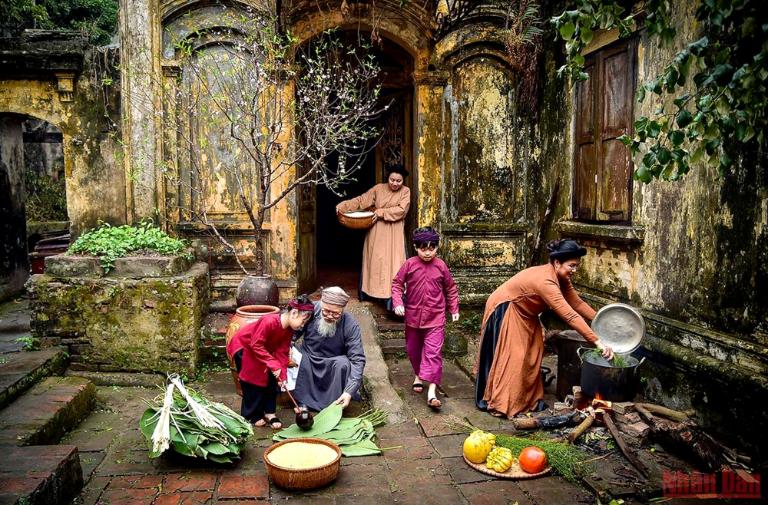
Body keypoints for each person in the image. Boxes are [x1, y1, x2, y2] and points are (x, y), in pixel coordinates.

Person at [474, 239, 614, 419]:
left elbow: (577, 303)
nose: (575, 270)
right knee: (515, 357)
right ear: (557, 263)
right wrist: (597, 342)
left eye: (577, 266)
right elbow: (569, 316)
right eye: (572, 266)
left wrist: (601, 321)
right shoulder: (546, 281)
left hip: (527, 312)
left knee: (533, 351)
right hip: (508, 307)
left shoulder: (561, 277)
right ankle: (503, 403)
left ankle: (525, 399)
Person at [392, 227, 459, 411]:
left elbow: (451, 288)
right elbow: (397, 283)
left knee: (433, 353)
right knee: (413, 350)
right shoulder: (409, 264)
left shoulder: (441, 266)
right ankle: (418, 375)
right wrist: (398, 302)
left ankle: (432, 393)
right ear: (415, 247)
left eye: (432, 248)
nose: (428, 252)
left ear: (437, 247)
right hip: (413, 317)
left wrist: (453, 308)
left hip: (436, 317)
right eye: (423, 248)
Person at [226, 295, 314, 428]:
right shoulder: (269, 321)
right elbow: (255, 344)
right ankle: (251, 415)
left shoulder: (289, 330)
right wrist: (273, 364)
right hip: (245, 346)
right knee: (252, 381)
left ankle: (269, 412)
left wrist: (282, 376)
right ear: (294, 313)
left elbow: (282, 352)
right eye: (302, 322)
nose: (302, 326)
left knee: (273, 379)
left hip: (263, 350)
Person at [336, 165, 411, 304]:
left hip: (394, 232)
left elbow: (401, 211)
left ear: (403, 181)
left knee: (394, 262)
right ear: (387, 178)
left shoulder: (406, 191)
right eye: (392, 179)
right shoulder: (378, 189)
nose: (395, 183)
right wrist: (343, 206)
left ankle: (392, 299)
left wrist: (379, 212)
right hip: (376, 231)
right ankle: (372, 294)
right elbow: (361, 201)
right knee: (375, 261)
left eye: (398, 181)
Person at [292, 287, 366, 411]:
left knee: (343, 364)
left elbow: (357, 359)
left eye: (336, 313)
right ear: (321, 304)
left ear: (342, 311)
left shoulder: (350, 324)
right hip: (308, 358)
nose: (330, 316)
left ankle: (334, 405)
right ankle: (302, 402)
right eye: (326, 311)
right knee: (296, 355)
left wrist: (349, 391)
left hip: (332, 363)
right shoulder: (310, 311)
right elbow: (292, 334)